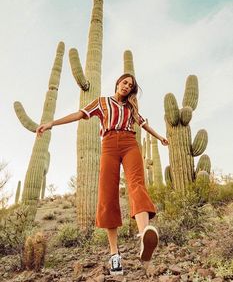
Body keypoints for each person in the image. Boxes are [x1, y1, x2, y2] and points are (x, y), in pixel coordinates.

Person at [36, 73, 169, 276]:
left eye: (130, 86)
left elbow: (143, 124)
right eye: (124, 83)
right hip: (108, 144)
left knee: (137, 184)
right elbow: (79, 114)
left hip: (129, 143)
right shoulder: (102, 102)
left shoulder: (130, 108)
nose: (126, 87)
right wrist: (52, 123)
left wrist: (160, 137)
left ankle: (144, 236)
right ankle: (115, 254)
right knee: (107, 194)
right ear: (117, 83)